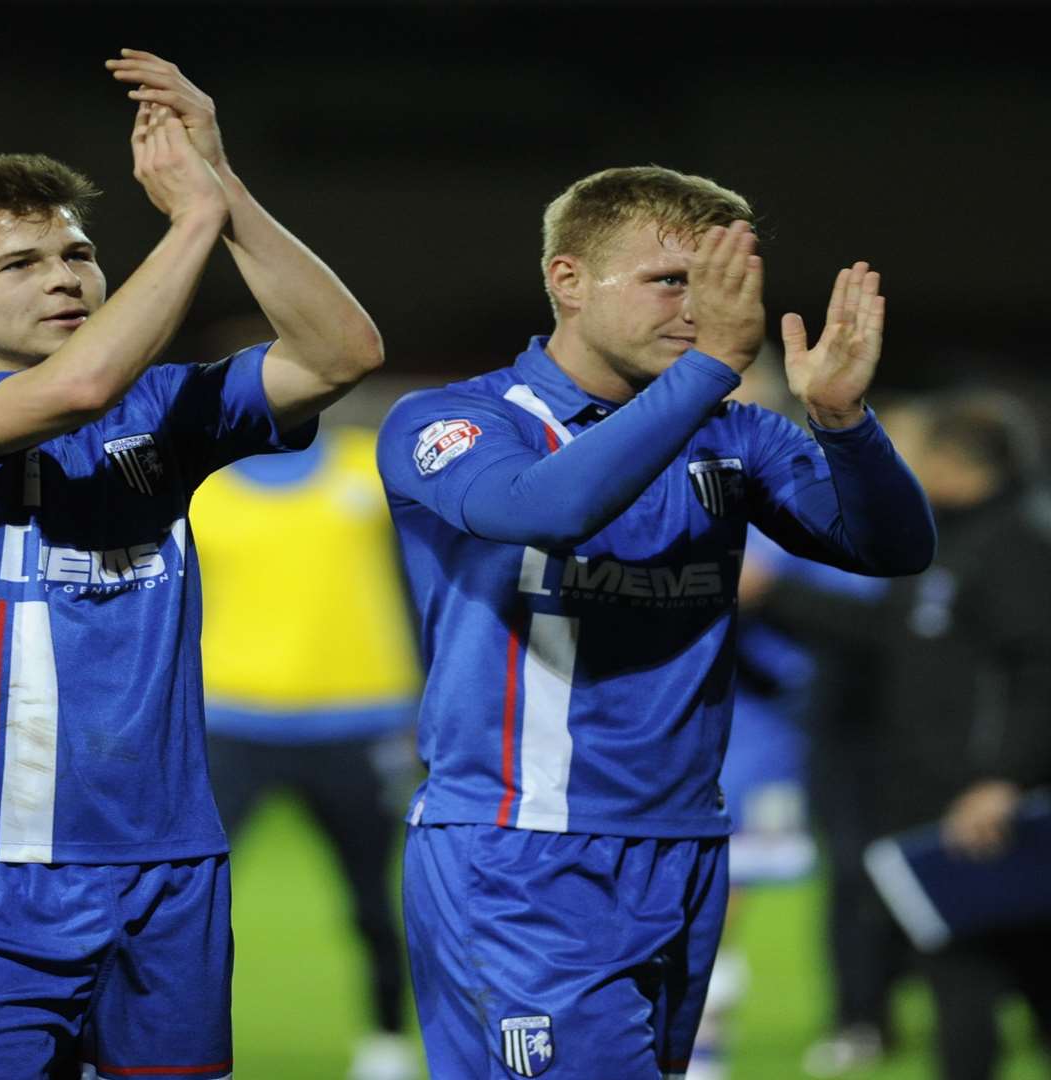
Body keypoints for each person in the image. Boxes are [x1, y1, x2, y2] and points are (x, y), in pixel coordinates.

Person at [0, 50, 382, 1079]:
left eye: (77, 254)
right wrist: (188, 228)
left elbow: (343, 354)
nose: (65, 278)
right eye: (20, 264)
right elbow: (76, 389)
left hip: (165, 869)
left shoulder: (162, 408)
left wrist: (227, 192)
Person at [376, 166, 936, 1078]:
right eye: (671, 280)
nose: (702, 308)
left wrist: (842, 421)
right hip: (522, 851)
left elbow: (890, 548)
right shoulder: (456, 420)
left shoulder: (734, 435)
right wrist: (713, 368)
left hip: (685, 847)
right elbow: (545, 508)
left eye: (724, 284)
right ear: (567, 281)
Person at [756, 390, 1051, 1080]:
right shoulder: (938, 546)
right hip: (928, 806)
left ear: (953, 461)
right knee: (962, 975)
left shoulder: (1014, 549)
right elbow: (884, 639)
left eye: (910, 452)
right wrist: (771, 596)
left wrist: (1002, 779)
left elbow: (1040, 673)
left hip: (983, 808)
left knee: (987, 975)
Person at [189, 418, 423, 1080]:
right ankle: (169, 1043)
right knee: (187, 897)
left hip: (363, 717)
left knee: (377, 897)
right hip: (234, 718)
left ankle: (388, 1044)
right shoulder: (202, 490)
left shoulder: (367, 469)